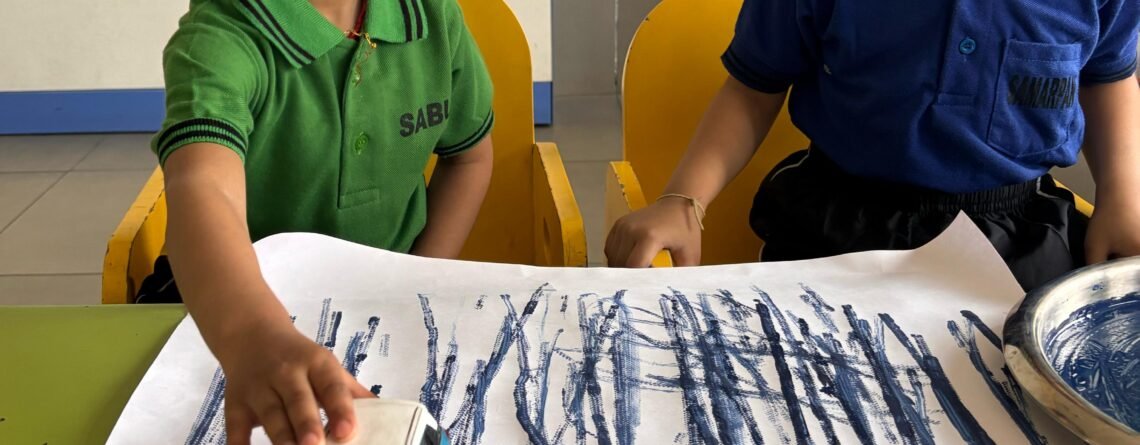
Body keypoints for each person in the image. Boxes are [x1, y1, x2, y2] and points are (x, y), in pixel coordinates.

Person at [607, 0, 1139, 291]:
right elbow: (753, 89)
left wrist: (1123, 196)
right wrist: (683, 199)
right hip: (837, 223)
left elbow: (1107, 77)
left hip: (1018, 238)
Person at [148, 0, 494, 443]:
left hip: (384, 305)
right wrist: (250, 332)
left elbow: (468, 159)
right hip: (232, 304)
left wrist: (416, 281)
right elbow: (202, 185)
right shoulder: (221, 36)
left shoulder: (432, 14)